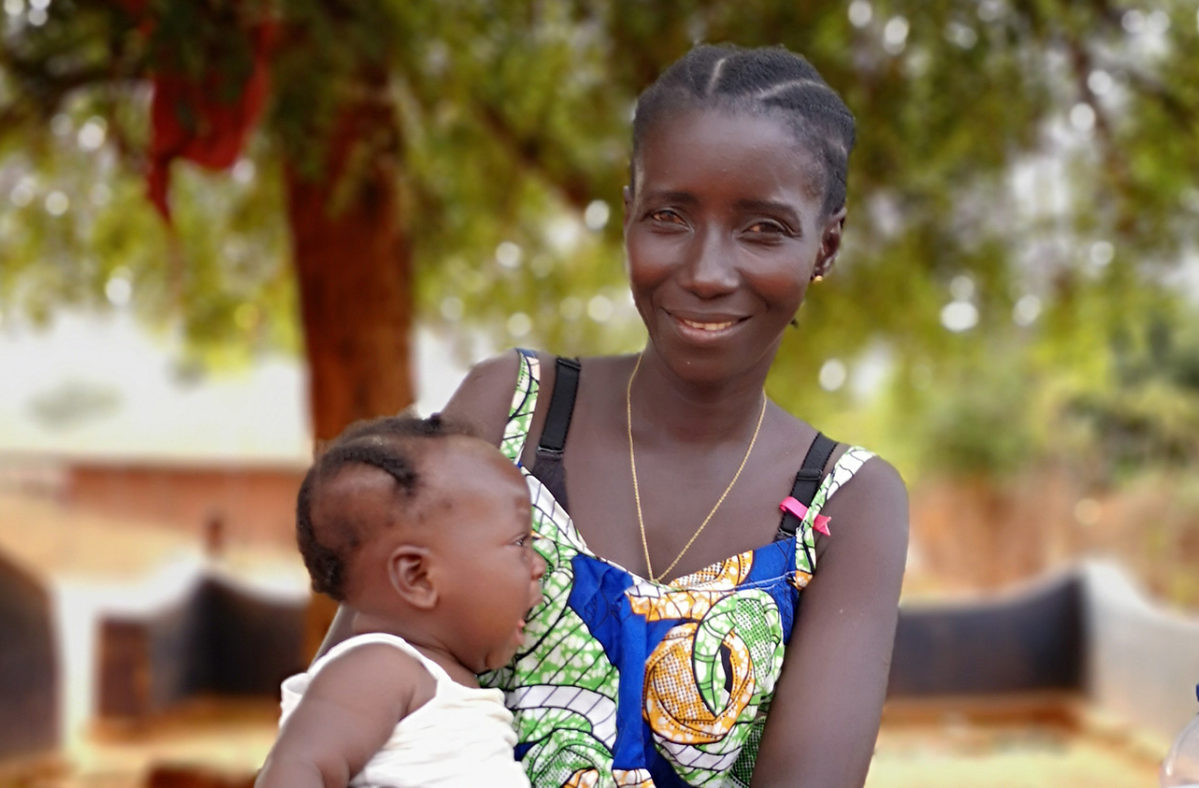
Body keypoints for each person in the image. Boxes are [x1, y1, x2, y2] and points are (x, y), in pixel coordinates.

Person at [316, 42, 909, 787]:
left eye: (762, 228)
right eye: (669, 216)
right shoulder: (510, 417)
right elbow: (339, 710)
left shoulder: (849, 504)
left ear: (825, 245)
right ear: (628, 213)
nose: (705, 272)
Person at [257, 415, 545, 787]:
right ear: (418, 576)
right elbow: (297, 768)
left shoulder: (433, 682)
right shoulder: (378, 668)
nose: (539, 565)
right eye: (520, 542)